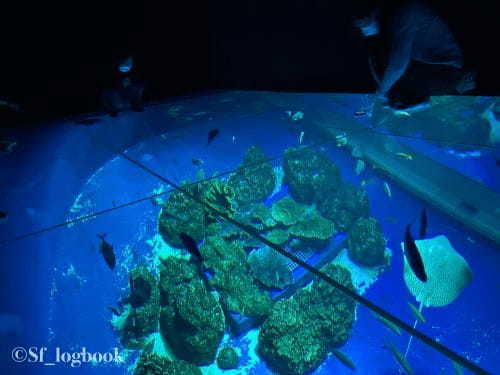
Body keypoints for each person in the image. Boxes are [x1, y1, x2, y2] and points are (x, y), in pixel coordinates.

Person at [354, 1, 476, 111]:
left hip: (443, 68)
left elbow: (398, 64)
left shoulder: (407, 11)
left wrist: (381, 92)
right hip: (429, 68)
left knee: (391, 87)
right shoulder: (394, 14)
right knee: (390, 86)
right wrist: (381, 92)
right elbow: (395, 64)